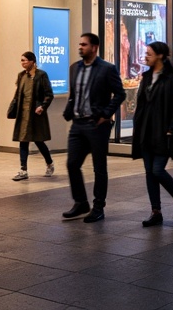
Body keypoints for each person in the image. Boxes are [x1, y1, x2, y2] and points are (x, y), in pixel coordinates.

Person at [62, 32, 125, 222]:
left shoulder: (107, 69)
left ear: (94, 48)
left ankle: (98, 207)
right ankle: (81, 203)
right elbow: (75, 94)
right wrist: (69, 110)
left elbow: (120, 94)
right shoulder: (75, 68)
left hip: (96, 124)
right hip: (78, 124)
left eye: (84, 45)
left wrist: (106, 114)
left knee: (99, 167)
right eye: (79, 44)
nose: (80, 47)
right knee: (72, 164)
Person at [131, 41, 173, 227]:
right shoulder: (146, 76)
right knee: (149, 172)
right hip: (146, 131)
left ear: (160, 56)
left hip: (164, 132)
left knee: (157, 170)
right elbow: (142, 103)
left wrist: (171, 128)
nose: (146, 56)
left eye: (149, 53)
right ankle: (155, 211)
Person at [9, 51, 54, 180]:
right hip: (23, 114)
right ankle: (23, 170)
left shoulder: (41, 75)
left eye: (24, 60)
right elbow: (18, 94)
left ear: (32, 61)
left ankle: (49, 163)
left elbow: (49, 94)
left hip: (36, 114)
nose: (22, 63)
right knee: (23, 141)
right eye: (21, 60)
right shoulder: (21, 75)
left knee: (39, 141)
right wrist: (13, 107)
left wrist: (42, 107)